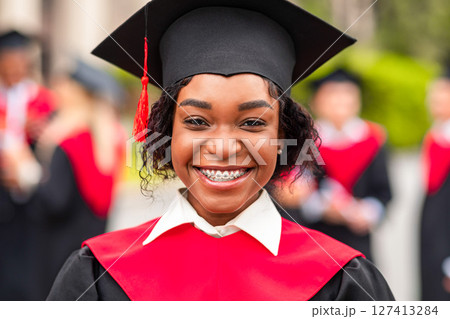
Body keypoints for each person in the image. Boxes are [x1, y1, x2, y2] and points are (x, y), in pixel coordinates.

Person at [47, 0, 394, 301]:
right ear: (166, 134)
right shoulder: (96, 274)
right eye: (197, 121)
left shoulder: (343, 280)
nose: (224, 148)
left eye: (253, 123)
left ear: (282, 133)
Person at [5, 59, 126, 300]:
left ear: (74, 94)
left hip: (57, 250)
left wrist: (25, 173)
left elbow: (54, 202)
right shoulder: (109, 137)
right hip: (89, 246)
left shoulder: (68, 142)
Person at [271, 69, 392, 261]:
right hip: (312, 238)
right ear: (317, 101)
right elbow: (288, 191)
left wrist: (366, 212)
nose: (340, 101)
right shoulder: (304, 140)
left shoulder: (373, 139)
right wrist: (320, 206)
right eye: (332, 94)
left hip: (358, 240)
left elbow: (384, 193)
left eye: (347, 94)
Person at [0, 30, 55, 301]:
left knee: (28, 262)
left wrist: (39, 133)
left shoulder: (43, 99)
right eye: (7, 62)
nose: (13, 69)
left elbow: (54, 148)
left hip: (32, 198)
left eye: (19, 62)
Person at [420, 65, 450, 301]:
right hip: (432, 239)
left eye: (443, 97)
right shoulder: (435, 135)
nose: (434, 103)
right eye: (433, 97)